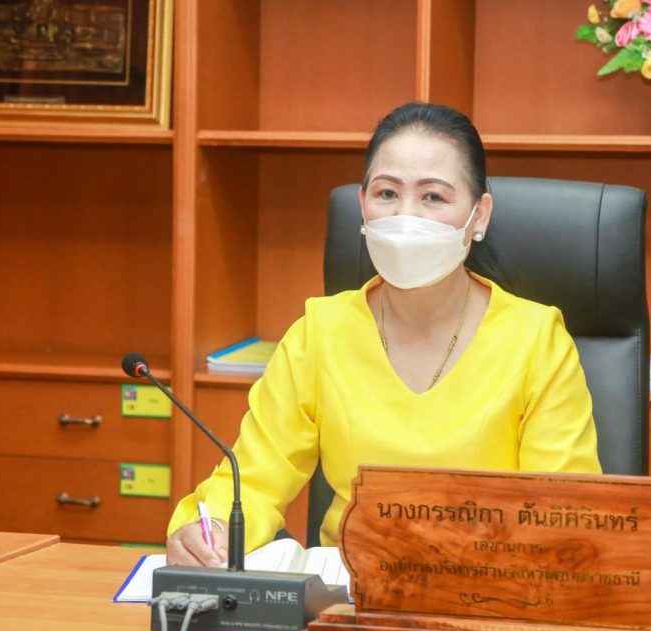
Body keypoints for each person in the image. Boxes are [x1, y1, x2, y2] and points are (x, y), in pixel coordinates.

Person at [166, 102, 600, 567]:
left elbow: (565, 513)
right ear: (363, 205)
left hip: (490, 589)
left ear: (479, 216)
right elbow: (251, 479)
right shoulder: (321, 333)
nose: (405, 216)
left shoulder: (536, 340)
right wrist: (207, 533)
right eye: (387, 193)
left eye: (433, 197)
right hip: (349, 591)